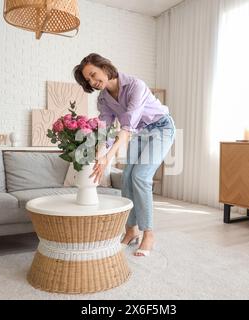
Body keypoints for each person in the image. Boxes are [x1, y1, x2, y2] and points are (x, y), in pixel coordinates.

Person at [73, 53, 176, 256]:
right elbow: (106, 130)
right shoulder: (103, 99)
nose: (94, 82)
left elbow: (127, 126)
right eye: (89, 80)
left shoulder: (135, 86)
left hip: (160, 128)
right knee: (127, 179)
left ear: (104, 67)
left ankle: (148, 234)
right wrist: (99, 155)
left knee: (141, 177)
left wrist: (108, 158)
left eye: (94, 75)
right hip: (138, 132)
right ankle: (131, 230)